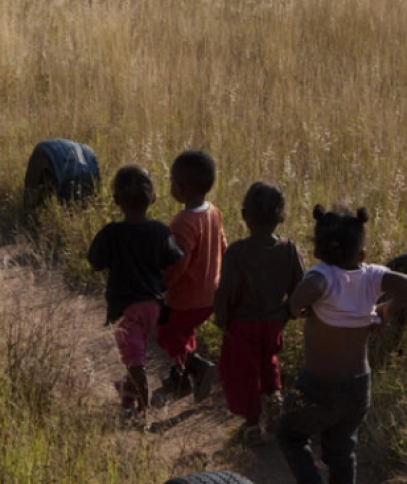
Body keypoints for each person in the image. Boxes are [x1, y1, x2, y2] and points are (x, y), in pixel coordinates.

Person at [278, 204, 407, 484]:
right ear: (361, 254)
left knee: (290, 433)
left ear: (316, 252)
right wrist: (389, 309)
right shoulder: (374, 275)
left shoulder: (321, 275)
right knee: (341, 450)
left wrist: (294, 308)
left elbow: (306, 291)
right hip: (360, 387)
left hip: (319, 385)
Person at [88, 165, 183, 414]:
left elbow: (95, 262)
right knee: (137, 354)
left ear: (116, 200)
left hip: (126, 310)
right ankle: (127, 391)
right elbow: (173, 260)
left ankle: (143, 410)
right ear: (153, 198)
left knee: (135, 362)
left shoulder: (112, 233)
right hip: (153, 306)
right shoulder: (160, 231)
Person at [214, 182, 305, 443]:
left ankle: (252, 424)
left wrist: (222, 318)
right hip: (274, 322)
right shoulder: (289, 249)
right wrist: (288, 312)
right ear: (281, 216)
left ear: (244, 215)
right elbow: (301, 287)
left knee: (244, 373)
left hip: (243, 324)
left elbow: (226, 292)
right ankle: (275, 398)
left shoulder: (237, 252)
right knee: (268, 361)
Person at [156, 150, 227, 402]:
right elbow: (223, 247)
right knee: (185, 333)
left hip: (185, 298)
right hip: (210, 297)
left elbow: (178, 262)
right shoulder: (214, 212)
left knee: (165, 331)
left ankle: (196, 366)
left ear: (182, 187)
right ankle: (180, 378)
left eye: (172, 181)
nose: (170, 185)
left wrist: (163, 286)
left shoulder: (183, 221)